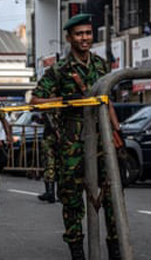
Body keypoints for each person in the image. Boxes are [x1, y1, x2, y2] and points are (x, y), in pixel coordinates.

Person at [30, 13, 123, 260]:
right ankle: (78, 253)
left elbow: (107, 101)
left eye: (88, 33)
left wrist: (117, 132)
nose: (85, 38)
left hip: (101, 137)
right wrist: (64, 101)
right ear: (69, 38)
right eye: (79, 34)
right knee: (72, 200)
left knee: (112, 196)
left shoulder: (102, 65)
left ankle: (115, 248)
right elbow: (36, 101)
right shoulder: (59, 70)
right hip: (72, 142)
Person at [37, 112, 58, 203]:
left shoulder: (50, 107)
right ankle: (51, 192)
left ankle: (50, 192)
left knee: (49, 165)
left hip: (51, 138)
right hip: (58, 138)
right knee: (53, 165)